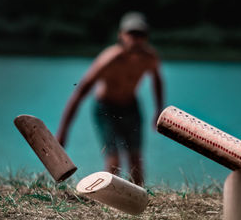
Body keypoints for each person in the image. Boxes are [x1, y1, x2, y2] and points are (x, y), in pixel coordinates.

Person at [56, 12, 164, 186]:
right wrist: (63, 132)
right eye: (131, 34)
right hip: (106, 108)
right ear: (121, 35)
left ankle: (138, 198)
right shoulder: (110, 59)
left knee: (136, 159)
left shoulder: (149, 58)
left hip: (131, 106)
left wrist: (159, 110)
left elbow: (157, 80)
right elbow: (80, 92)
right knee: (114, 158)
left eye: (140, 35)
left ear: (146, 37)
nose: (135, 40)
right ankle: (109, 196)